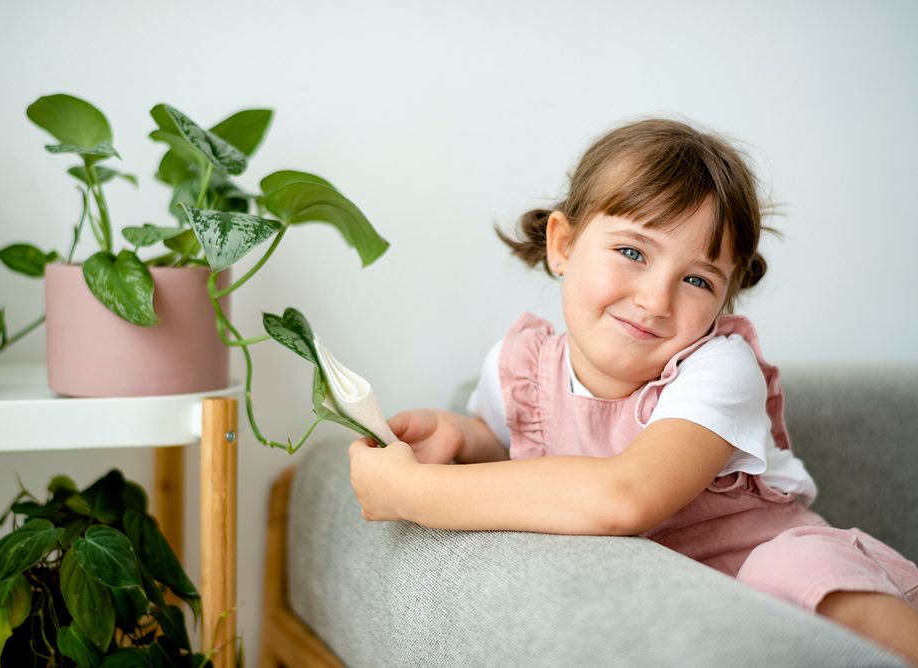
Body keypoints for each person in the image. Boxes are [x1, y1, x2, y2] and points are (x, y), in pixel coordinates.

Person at [347, 117, 918, 664]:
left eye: (696, 280)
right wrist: (461, 439)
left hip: (799, 585)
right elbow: (520, 462)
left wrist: (414, 493)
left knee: (786, 571)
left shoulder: (717, 369)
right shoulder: (517, 368)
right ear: (563, 245)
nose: (654, 299)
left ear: (723, 301)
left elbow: (627, 496)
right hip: (681, 623)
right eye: (633, 253)